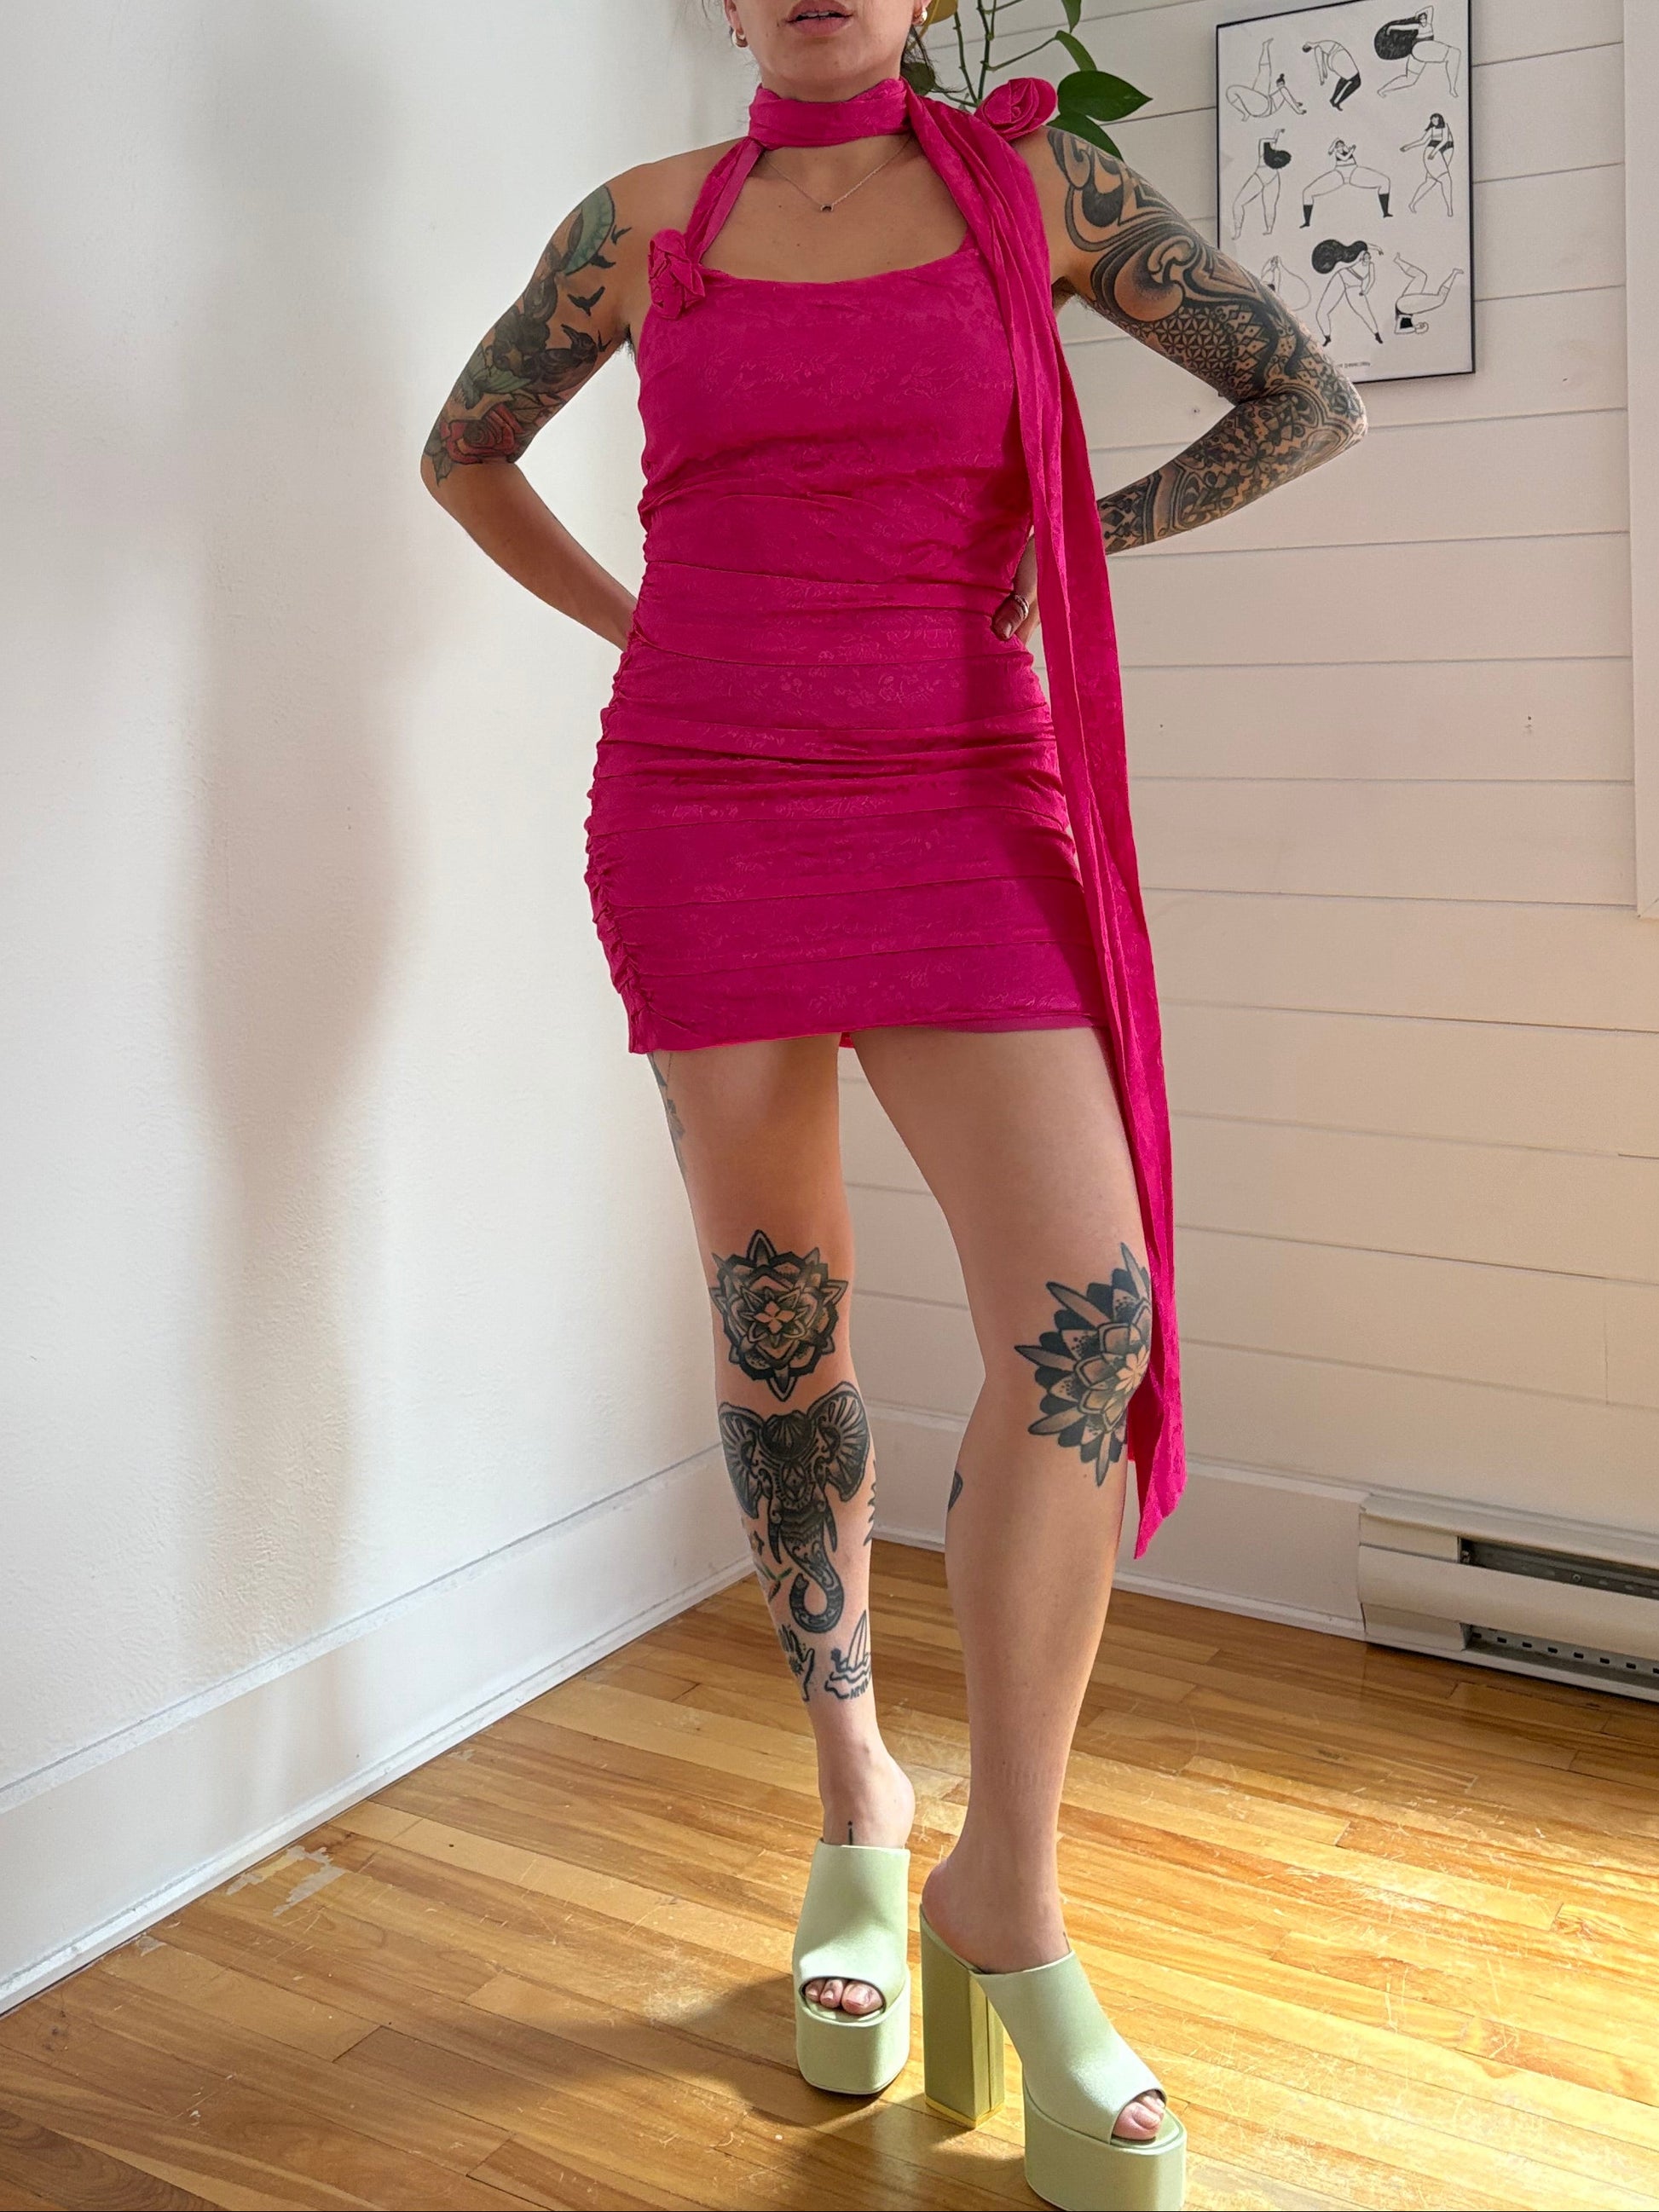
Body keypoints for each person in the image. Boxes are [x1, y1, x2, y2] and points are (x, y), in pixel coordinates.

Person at [420, 3, 1363, 2203]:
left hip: (960, 784)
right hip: (702, 802)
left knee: (1085, 1324)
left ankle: (1002, 1886)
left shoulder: (1042, 187)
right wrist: (644, 625)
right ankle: (856, 1796)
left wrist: (1069, 544)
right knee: (784, 1316)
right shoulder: (643, 225)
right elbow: (466, 450)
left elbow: (1297, 396)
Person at [1313, 237, 1384, 346]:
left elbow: (1372, 279)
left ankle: (1377, 335)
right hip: (1341, 277)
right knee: (1321, 311)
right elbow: (1363, 244)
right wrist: (1378, 248)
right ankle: (1327, 337)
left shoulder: (1371, 265)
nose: (1366, 257)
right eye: (1365, 255)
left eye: (1368, 256)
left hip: (1354, 287)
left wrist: (1365, 291)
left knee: (1365, 312)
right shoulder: (1358, 256)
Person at [1402, 112, 1456, 215]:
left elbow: (1445, 140)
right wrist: (1408, 147)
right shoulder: (1432, 130)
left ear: (1440, 119)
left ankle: (1412, 203)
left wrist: (1435, 152)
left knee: (1430, 181)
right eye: (1432, 119)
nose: (1434, 121)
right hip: (1432, 152)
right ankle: (1450, 209)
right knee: (1446, 180)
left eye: (1436, 119)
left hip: (1444, 152)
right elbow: (1422, 141)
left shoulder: (1445, 126)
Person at [1304, 35, 1361, 109]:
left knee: (1345, 79)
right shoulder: (1317, 47)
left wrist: (1324, 73)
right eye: (1305, 45)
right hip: (1337, 56)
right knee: (1356, 81)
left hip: (1336, 55)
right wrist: (1322, 77)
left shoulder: (1317, 45)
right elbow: (1320, 63)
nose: (1306, 43)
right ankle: (1337, 101)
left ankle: (1334, 100)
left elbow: (1322, 63)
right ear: (1307, 47)